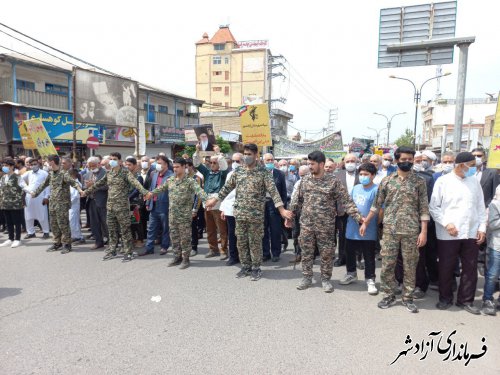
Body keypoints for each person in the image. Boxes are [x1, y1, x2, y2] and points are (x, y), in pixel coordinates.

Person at [205, 143, 293, 281]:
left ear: (256, 155)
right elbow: (226, 188)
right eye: (245, 154)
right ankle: (245, 267)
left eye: (249, 155)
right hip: (239, 214)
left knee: (255, 242)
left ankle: (256, 268)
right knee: (241, 241)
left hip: (256, 215)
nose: (246, 157)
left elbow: (274, 192)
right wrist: (215, 200)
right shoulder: (238, 172)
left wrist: (282, 210)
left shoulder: (263, 173)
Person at [361, 147, 429, 313]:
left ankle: (408, 297)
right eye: (404, 159)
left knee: (410, 265)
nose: (407, 162)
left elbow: (424, 208)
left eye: (410, 159)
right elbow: (376, 205)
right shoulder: (387, 181)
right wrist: (366, 222)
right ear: (397, 160)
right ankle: (388, 295)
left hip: (412, 231)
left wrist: (424, 231)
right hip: (390, 230)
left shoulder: (419, 182)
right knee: (388, 264)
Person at [287, 151, 363, 292]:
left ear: (321, 164)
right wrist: (289, 217)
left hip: (326, 226)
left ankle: (326, 279)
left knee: (327, 253)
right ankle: (306, 277)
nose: (309, 166)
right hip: (307, 225)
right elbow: (296, 201)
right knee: (307, 252)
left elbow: (346, 201)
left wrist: (359, 218)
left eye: (312, 164)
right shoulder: (305, 180)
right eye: (308, 163)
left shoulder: (333, 181)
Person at [429, 151, 486, 315]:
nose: (473, 169)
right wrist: (447, 223)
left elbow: (480, 208)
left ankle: (465, 300)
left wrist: (482, 228)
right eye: (472, 166)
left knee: (470, 268)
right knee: (446, 267)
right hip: (449, 233)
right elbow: (434, 208)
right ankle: (445, 298)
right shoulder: (443, 182)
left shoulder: (474, 182)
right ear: (462, 165)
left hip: (471, 232)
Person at [83, 152, 149, 261]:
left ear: (119, 161)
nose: (112, 161)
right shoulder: (109, 173)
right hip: (110, 206)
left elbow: (136, 183)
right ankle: (112, 250)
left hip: (122, 207)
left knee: (125, 230)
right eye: (111, 159)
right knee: (112, 229)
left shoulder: (125, 173)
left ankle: (128, 252)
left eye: (114, 159)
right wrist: (86, 192)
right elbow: (98, 184)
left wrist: (145, 192)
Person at [145, 158, 208, 269]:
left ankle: (185, 259)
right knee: (174, 237)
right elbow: (161, 188)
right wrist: (151, 193)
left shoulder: (190, 181)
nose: (175, 169)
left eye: (177, 167)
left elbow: (200, 192)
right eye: (174, 167)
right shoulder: (170, 180)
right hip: (172, 214)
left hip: (184, 216)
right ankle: (177, 257)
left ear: (184, 167)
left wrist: (207, 200)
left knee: (185, 238)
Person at [32, 155, 84, 254]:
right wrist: (35, 193)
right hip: (53, 203)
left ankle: (67, 244)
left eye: (47, 161)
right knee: (54, 224)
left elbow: (73, 182)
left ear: (52, 162)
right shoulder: (51, 174)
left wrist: (80, 190)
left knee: (63, 224)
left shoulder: (64, 173)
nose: (46, 163)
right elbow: (44, 184)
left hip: (62, 203)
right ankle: (57, 243)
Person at [340, 163, 379, 295]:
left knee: (368, 256)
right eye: (361, 174)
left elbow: (379, 210)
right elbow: (350, 204)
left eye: (366, 174)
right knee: (349, 252)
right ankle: (351, 273)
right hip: (352, 227)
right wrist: (358, 219)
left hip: (369, 229)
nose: (363, 177)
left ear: (373, 175)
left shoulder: (376, 189)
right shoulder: (356, 188)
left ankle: (370, 279)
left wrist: (367, 222)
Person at [193, 146, 229, 259]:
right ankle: (213, 249)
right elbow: (197, 164)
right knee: (210, 229)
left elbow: (223, 166)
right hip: (207, 204)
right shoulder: (207, 173)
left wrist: (218, 153)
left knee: (222, 229)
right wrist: (197, 151)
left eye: (215, 162)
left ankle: (223, 250)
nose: (212, 164)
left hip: (218, 204)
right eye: (211, 162)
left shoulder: (223, 174)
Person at [140, 155, 173, 256]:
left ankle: (164, 246)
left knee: (165, 227)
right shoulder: (154, 174)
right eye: (156, 163)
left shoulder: (171, 175)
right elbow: (151, 188)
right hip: (153, 204)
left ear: (166, 164)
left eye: (160, 163)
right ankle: (149, 248)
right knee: (151, 228)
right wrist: (148, 202)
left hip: (164, 205)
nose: (157, 165)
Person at [333, 153, 360, 267]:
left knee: (358, 235)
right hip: (341, 210)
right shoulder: (338, 175)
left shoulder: (361, 174)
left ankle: (358, 259)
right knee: (342, 235)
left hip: (357, 210)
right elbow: (333, 193)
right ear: (344, 163)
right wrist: (334, 208)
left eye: (352, 161)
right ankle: (342, 258)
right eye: (348, 161)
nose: (350, 163)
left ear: (357, 162)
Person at [262, 153, 287, 262]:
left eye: (272, 160)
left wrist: (283, 208)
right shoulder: (258, 173)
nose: (270, 162)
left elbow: (283, 192)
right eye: (267, 160)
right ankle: (265, 253)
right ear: (263, 161)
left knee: (275, 230)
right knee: (263, 230)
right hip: (262, 205)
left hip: (275, 205)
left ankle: (276, 253)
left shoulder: (279, 174)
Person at [220, 153, 243, 266]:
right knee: (232, 234)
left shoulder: (248, 174)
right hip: (230, 208)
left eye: (237, 161)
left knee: (243, 234)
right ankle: (233, 256)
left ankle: (245, 257)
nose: (235, 163)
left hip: (244, 209)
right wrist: (223, 209)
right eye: (233, 161)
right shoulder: (229, 175)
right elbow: (225, 192)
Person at [0, 159, 28, 248]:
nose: (4, 167)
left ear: (11, 166)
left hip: (15, 203)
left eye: (6, 165)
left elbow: (25, 187)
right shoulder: (3, 177)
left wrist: (32, 192)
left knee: (17, 221)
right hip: (5, 203)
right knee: (9, 222)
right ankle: (10, 238)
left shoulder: (17, 177)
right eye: (3, 165)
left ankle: (17, 239)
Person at [481, 186, 500, 316]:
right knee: (493, 274)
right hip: (497, 245)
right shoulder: (495, 204)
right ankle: (487, 299)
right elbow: (492, 225)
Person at [83, 157, 109, 250]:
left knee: (106, 223)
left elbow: (108, 186)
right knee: (94, 223)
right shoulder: (87, 175)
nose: (92, 168)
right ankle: (98, 242)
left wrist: (94, 186)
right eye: (90, 166)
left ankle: (111, 242)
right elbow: (84, 187)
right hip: (91, 201)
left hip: (103, 201)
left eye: (93, 166)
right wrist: (86, 187)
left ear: (99, 164)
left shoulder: (106, 173)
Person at [22, 158, 50, 240]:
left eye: (35, 164)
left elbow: (48, 185)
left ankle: (46, 232)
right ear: (29, 166)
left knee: (42, 215)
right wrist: (26, 188)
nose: (33, 166)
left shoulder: (44, 173)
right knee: (28, 215)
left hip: (40, 197)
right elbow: (19, 179)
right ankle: (31, 232)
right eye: (32, 164)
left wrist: (46, 196)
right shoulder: (28, 173)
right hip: (29, 197)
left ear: (38, 164)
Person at [289, 165, 310, 264]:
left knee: (308, 236)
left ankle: (309, 257)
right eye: (301, 175)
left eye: (304, 175)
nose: (302, 178)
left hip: (309, 214)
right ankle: (298, 254)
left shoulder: (313, 184)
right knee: (296, 234)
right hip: (297, 213)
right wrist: (291, 213)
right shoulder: (297, 183)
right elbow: (294, 198)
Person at [186, 159, 203, 257]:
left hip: (192, 207)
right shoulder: (182, 178)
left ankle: (194, 247)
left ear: (191, 166)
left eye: (187, 166)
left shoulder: (196, 178)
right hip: (183, 208)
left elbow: (198, 195)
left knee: (193, 228)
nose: (186, 168)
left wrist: (195, 209)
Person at [68, 169, 85, 244]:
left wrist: (68, 202)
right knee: (72, 221)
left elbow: (75, 196)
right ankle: (75, 236)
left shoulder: (77, 183)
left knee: (73, 221)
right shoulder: (71, 183)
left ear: (72, 175)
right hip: (70, 206)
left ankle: (79, 237)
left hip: (74, 205)